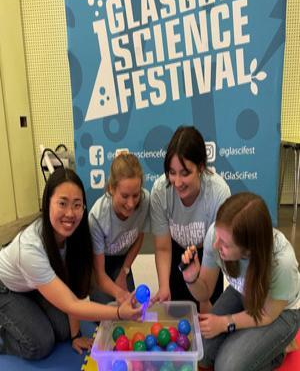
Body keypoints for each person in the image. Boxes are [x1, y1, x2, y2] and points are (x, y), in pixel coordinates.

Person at [0, 167, 141, 360]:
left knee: (64, 331)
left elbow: (72, 286)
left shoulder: (75, 235)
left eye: (77, 205)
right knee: (40, 344)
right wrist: (118, 312)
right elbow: (71, 304)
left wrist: (75, 335)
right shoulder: (30, 248)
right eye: (62, 203)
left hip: (34, 286)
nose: (70, 213)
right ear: (47, 202)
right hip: (6, 288)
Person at [181, 192, 300, 371]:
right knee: (201, 352)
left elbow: (267, 314)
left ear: (249, 249)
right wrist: (191, 279)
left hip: (280, 312)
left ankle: (279, 348)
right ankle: (251, 343)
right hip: (243, 293)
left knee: (228, 366)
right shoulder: (217, 234)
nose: (215, 244)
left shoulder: (282, 262)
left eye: (226, 244)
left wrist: (224, 323)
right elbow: (204, 292)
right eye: (218, 237)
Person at [150, 125, 230, 310]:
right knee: (176, 315)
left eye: (185, 173)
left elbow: (215, 251)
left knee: (208, 319)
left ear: (201, 167)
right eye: (172, 172)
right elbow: (162, 248)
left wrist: (204, 299)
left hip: (208, 256)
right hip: (177, 253)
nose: (177, 182)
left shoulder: (218, 193)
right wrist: (164, 287)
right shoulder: (160, 191)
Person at [89, 152, 150, 305]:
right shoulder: (97, 218)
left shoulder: (145, 201)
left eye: (135, 195)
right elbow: (100, 275)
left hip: (122, 260)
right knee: (107, 314)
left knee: (130, 309)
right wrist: (120, 293)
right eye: (124, 196)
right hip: (99, 265)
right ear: (111, 188)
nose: (131, 204)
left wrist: (125, 271)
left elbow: (139, 236)